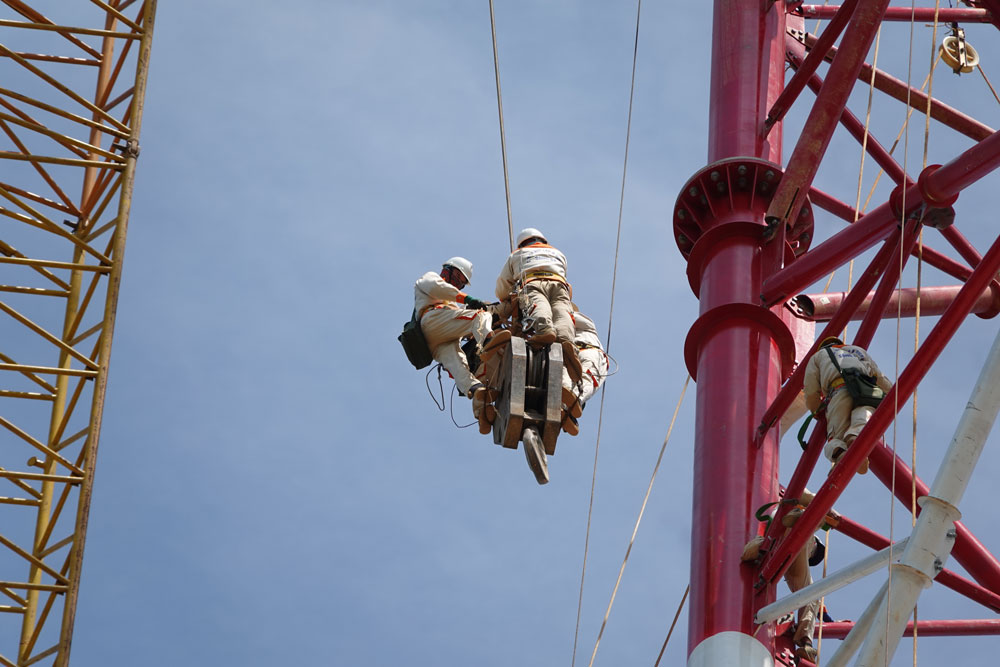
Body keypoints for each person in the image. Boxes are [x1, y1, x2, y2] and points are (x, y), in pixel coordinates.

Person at [414, 257, 510, 415]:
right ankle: (488, 342)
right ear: (447, 270)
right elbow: (439, 288)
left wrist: (497, 309)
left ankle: (474, 389)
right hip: (432, 320)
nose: (457, 283)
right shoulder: (431, 278)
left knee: (457, 362)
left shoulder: (452, 303)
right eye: (457, 277)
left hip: (436, 340)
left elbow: (461, 315)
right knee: (480, 316)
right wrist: (468, 299)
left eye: (461, 283)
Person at [495, 228, 582, 383]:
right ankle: (565, 340)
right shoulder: (558, 253)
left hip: (532, 282)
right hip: (559, 284)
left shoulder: (517, 254)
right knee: (561, 311)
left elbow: (503, 286)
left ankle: (544, 330)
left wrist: (505, 298)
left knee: (538, 305)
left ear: (522, 243)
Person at [802, 336, 892, 473]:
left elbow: (810, 390)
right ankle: (855, 437)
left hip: (838, 391)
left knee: (836, 435)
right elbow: (877, 375)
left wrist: (816, 410)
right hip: (865, 389)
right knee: (864, 414)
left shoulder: (818, 356)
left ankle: (840, 454)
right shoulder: (858, 351)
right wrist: (892, 393)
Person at [560, 309, 608, 436]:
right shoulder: (561, 324)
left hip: (588, 351)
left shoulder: (586, 323)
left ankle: (572, 403)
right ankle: (566, 407)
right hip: (571, 351)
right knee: (567, 382)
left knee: (586, 378)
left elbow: (566, 315)